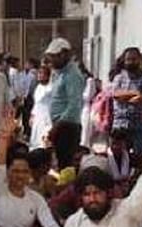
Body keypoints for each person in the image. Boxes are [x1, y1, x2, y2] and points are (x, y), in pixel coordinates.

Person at [45, 38, 86, 169]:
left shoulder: (72, 75)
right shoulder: (60, 74)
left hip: (67, 127)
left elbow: (74, 106)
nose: (51, 60)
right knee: (60, 165)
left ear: (64, 54)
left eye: (54, 57)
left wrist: (56, 127)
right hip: (61, 126)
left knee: (66, 166)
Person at [111, 47, 142, 169]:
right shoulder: (119, 78)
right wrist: (135, 93)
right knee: (118, 157)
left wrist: (126, 96)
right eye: (128, 59)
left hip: (139, 125)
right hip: (120, 123)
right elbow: (116, 95)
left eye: (134, 59)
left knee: (138, 158)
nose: (130, 62)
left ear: (139, 60)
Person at [29, 64, 54, 150]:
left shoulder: (51, 88)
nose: (39, 75)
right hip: (37, 117)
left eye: (42, 73)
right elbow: (36, 103)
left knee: (45, 139)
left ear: (47, 76)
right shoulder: (38, 87)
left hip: (47, 117)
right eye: (38, 73)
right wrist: (32, 115)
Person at [79, 62, 99, 148]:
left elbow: (88, 96)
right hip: (78, 108)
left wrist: (77, 94)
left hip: (86, 108)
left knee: (85, 133)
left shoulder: (89, 80)